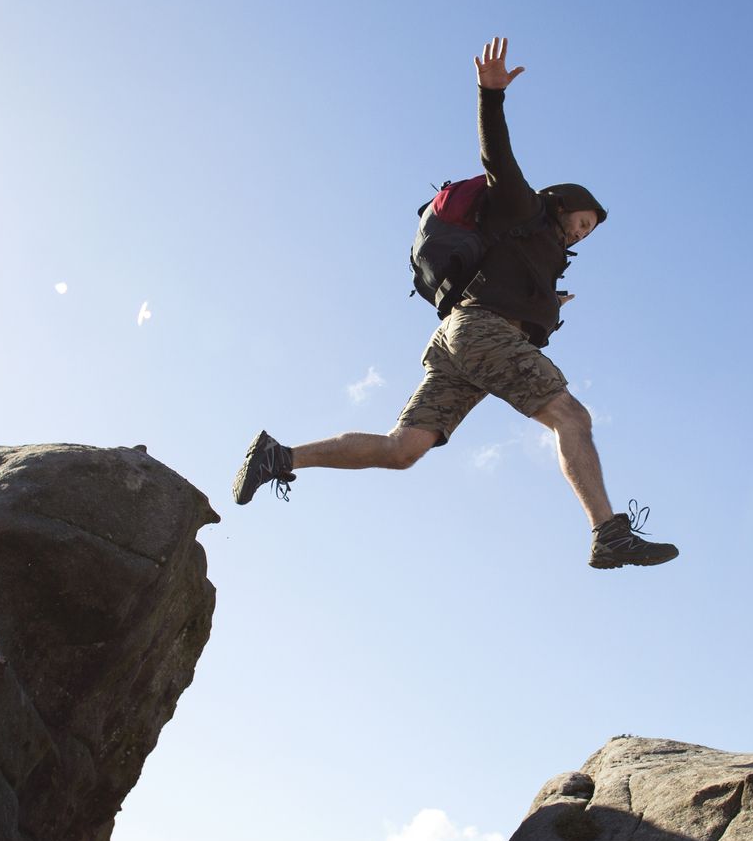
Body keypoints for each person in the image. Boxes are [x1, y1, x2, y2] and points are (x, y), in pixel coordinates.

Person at [232, 36, 679, 570]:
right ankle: (608, 533)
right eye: (581, 222)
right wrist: (490, 96)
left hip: (460, 338)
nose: (580, 235)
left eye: (587, 233)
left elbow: (511, 290)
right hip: (483, 329)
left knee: (403, 450)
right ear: (562, 204)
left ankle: (280, 456)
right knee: (571, 415)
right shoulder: (526, 210)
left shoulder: (538, 258)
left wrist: (546, 303)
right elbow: (497, 155)